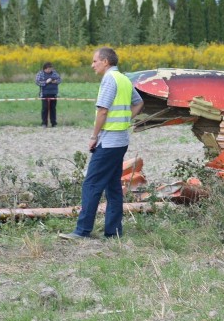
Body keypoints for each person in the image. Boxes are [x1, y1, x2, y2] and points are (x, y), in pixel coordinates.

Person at [60, 47, 144, 240]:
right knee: (113, 186)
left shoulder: (109, 80)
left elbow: (103, 111)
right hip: (121, 140)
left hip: (108, 141)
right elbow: (138, 102)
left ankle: (82, 230)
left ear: (105, 61)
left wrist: (93, 136)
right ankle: (113, 232)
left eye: (95, 61)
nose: (92, 65)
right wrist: (125, 120)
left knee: (91, 184)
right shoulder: (123, 78)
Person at [35, 62, 61, 127]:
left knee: (53, 108)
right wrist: (46, 82)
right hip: (44, 94)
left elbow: (59, 80)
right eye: (49, 69)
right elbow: (37, 82)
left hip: (54, 93)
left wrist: (55, 81)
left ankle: (54, 123)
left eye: (51, 69)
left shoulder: (54, 73)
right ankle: (44, 123)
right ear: (45, 69)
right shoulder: (40, 74)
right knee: (45, 109)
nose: (50, 70)